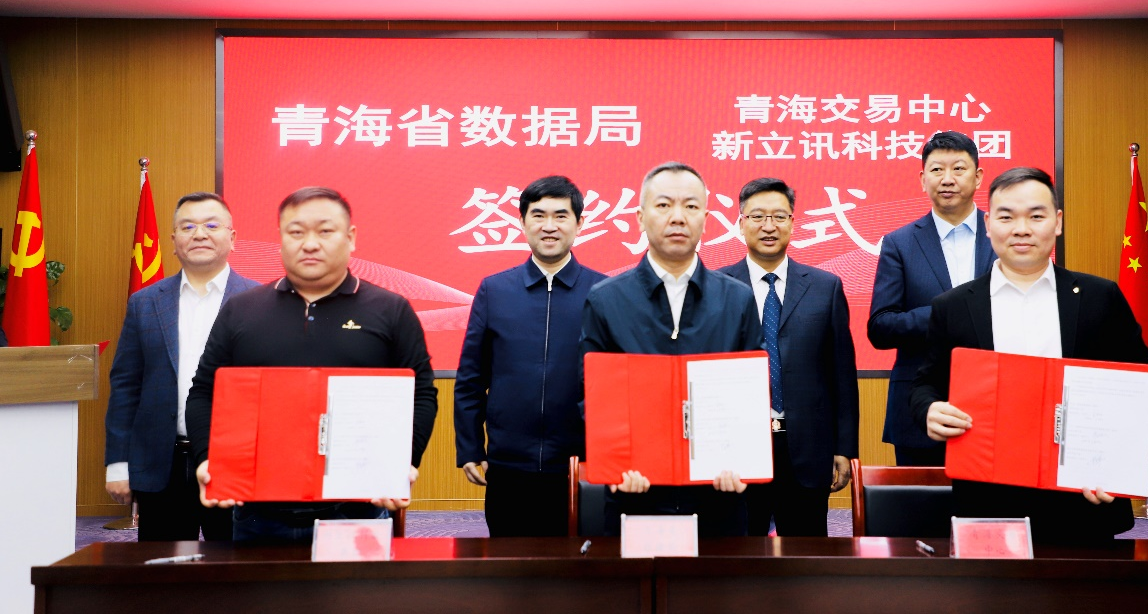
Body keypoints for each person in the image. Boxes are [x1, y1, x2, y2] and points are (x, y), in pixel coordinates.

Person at [909, 167, 1148, 543]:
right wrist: (929, 409)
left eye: (1036, 216)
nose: (1021, 229)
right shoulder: (952, 306)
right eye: (1006, 217)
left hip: (1082, 498)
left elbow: (1142, 385)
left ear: (1057, 222)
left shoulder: (1100, 298)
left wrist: (1112, 463)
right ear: (988, 224)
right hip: (986, 499)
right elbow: (925, 383)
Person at [186, 186, 438, 544]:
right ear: (280, 240)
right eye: (296, 232)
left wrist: (402, 463)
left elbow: (422, 394)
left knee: (352, 585)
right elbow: (203, 392)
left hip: (357, 510)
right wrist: (206, 460)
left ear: (351, 238)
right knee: (259, 585)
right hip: (257, 512)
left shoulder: (391, 310)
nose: (309, 243)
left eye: (325, 231)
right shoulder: (241, 310)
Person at [579, 162, 762, 537]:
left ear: (706, 220)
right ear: (640, 217)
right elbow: (591, 395)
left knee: (722, 578)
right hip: (635, 494)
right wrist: (617, 465)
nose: (678, 217)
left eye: (691, 206)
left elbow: (754, 394)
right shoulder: (606, 300)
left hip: (719, 497)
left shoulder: (738, 299)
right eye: (663, 205)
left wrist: (741, 461)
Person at [453, 175, 606, 536]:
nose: (549, 226)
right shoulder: (495, 290)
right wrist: (470, 448)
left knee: (582, 567)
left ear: (580, 223)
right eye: (538, 215)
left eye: (561, 216)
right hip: (508, 467)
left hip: (582, 466)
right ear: (522, 222)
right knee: (512, 565)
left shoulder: (603, 292)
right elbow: (471, 378)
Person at [103, 192, 258, 541]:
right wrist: (118, 462)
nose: (199, 234)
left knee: (235, 566)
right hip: (163, 464)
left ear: (232, 237)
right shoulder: (145, 303)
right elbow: (126, 386)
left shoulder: (261, 301)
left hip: (236, 463)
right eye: (188, 227)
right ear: (173, 241)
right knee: (163, 569)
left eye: (211, 225)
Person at [718, 177, 859, 537]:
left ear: (793, 223)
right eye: (758, 216)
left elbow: (841, 375)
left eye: (779, 217)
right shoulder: (716, 288)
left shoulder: (825, 287)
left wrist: (844, 449)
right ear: (741, 223)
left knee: (806, 559)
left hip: (808, 451)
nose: (769, 226)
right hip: (737, 453)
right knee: (739, 557)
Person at [868, 130, 996, 466]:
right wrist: (947, 314)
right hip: (919, 409)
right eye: (937, 170)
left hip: (995, 402)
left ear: (978, 177)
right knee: (922, 501)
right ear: (923, 180)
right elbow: (880, 327)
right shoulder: (899, 243)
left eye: (959, 168)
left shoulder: (1004, 235)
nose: (947, 179)